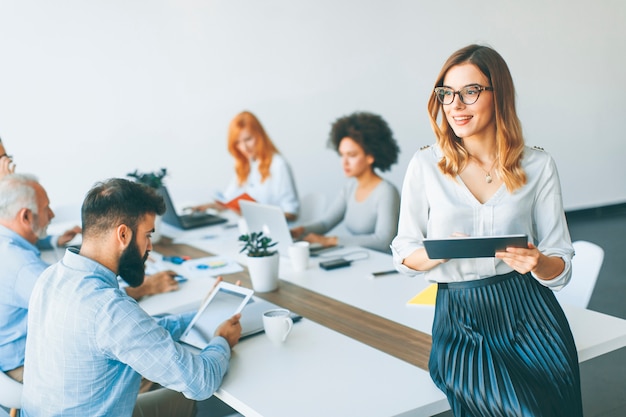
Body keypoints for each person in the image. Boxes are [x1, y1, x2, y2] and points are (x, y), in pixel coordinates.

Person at [391, 44, 582, 416]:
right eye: (447, 94)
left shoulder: (538, 165)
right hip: (460, 316)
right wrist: (439, 250)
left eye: (470, 92)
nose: (456, 105)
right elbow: (403, 253)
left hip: (531, 314)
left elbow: (561, 264)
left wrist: (538, 262)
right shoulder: (426, 165)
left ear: (500, 95)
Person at [22, 178, 242, 416]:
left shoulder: (50, 276)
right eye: (147, 235)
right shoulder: (108, 308)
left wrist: (202, 315)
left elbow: (139, 331)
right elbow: (201, 382)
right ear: (123, 234)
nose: (150, 247)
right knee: (192, 399)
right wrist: (222, 340)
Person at [0, 174, 180, 384]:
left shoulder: (7, 242)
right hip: (24, 365)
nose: (52, 214)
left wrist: (54, 240)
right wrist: (144, 287)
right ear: (26, 217)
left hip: (11, 355)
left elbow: (29, 240)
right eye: (46, 208)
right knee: (146, 361)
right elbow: (83, 306)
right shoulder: (23, 267)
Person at [291, 112, 401, 253]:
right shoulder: (350, 188)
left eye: (352, 155)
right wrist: (299, 231)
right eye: (342, 155)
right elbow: (325, 223)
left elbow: (384, 241)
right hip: (360, 258)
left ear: (370, 156)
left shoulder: (386, 192)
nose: (344, 162)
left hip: (382, 266)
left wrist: (330, 241)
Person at [192, 111, 300, 220]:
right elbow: (228, 200)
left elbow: (291, 213)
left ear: (260, 135)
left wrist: (259, 215)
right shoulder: (245, 164)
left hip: (274, 231)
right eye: (237, 143)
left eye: (248, 139)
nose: (244, 148)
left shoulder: (278, 164)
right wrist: (209, 206)